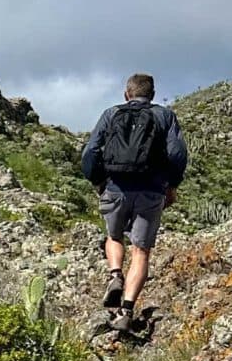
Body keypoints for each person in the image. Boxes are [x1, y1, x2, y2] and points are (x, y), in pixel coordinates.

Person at [79, 73, 188, 333]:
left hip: (115, 187)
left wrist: (98, 182)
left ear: (126, 93)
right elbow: (177, 153)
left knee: (114, 237)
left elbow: (90, 151)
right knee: (141, 251)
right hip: (151, 191)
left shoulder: (111, 114)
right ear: (151, 94)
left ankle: (115, 274)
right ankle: (127, 311)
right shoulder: (165, 116)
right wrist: (171, 185)